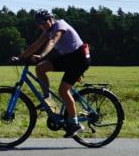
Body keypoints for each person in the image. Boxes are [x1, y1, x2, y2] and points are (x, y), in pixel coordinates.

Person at [17, 9, 91, 137]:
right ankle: (47, 99)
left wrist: (41, 55)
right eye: (40, 23)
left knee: (63, 91)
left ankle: (75, 124)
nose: (43, 24)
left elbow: (53, 41)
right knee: (40, 68)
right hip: (69, 58)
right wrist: (21, 57)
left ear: (51, 19)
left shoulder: (60, 25)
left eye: (45, 21)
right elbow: (36, 44)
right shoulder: (48, 31)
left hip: (78, 58)